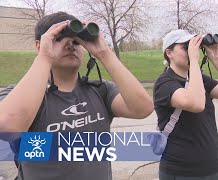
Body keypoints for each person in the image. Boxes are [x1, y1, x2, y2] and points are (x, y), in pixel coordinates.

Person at [0, 12, 153, 180]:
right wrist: (45, 57)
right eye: (59, 39)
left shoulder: (100, 91)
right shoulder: (19, 96)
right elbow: (8, 127)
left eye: (76, 41)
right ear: (39, 45)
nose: (70, 45)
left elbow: (142, 109)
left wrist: (104, 53)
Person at [153, 29, 218, 180]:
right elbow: (196, 104)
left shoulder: (199, 79)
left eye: (193, 47)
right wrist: (194, 60)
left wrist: (216, 59)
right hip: (183, 171)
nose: (191, 51)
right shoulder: (165, 83)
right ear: (169, 53)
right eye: (185, 47)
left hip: (212, 168)